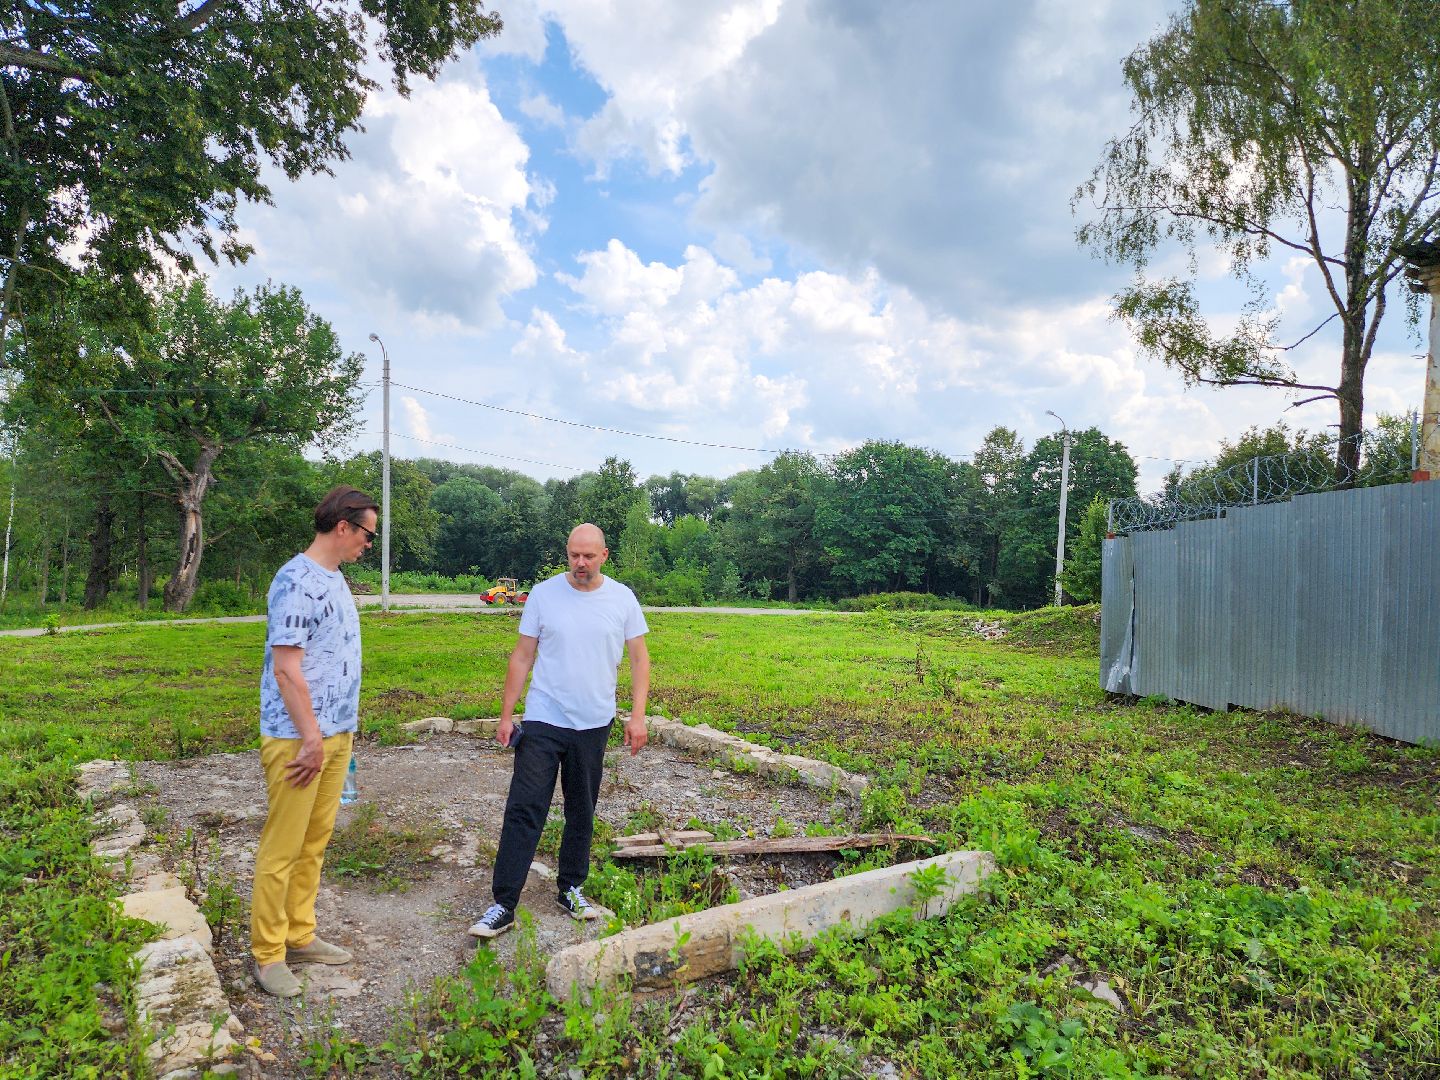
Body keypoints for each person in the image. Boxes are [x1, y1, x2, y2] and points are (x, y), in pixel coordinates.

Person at [470, 523, 650, 938]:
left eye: (588, 556)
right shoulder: (544, 595)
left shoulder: (622, 599)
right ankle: (503, 903)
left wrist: (636, 716)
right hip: (544, 719)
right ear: (567, 554)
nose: (580, 563)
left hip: (594, 722)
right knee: (524, 807)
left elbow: (640, 660)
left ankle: (570, 887)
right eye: (574, 555)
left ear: (604, 555)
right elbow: (522, 656)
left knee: (581, 810)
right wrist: (505, 714)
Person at [250, 485, 378, 997]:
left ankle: (300, 934)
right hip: (298, 740)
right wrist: (309, 739)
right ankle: (267, 953)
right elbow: (286, 668)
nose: (370, 543)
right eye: (368, 533)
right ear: (343, 526)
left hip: (335, 735)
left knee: (314, 842)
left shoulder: (336, 579)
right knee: (283, 846)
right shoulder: (295, 580)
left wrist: (339, 731)